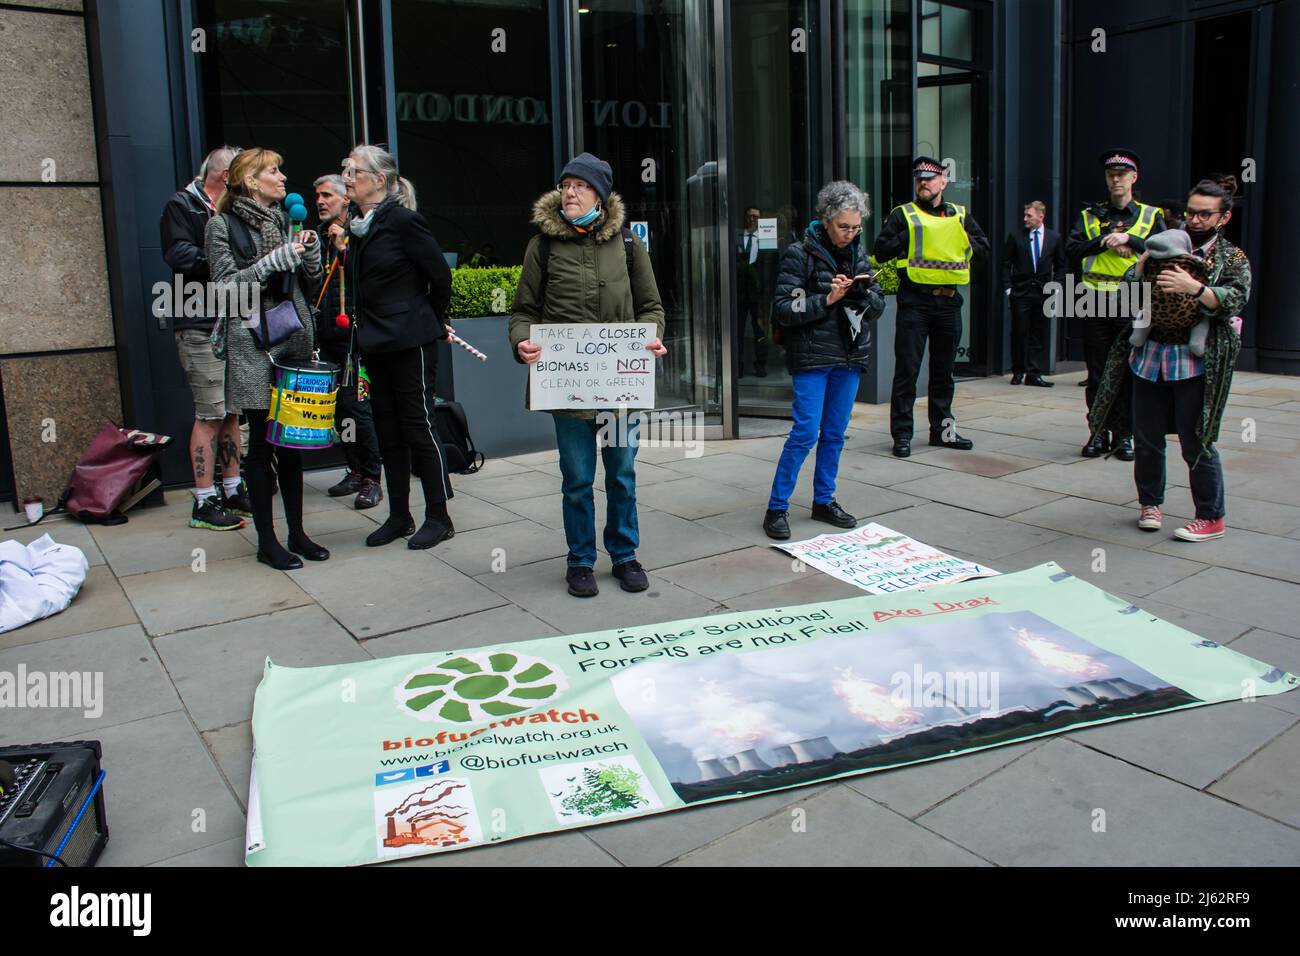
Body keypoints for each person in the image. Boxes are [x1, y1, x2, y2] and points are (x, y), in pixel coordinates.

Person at [509, 152, 666, 598]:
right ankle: (580, 560)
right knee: (577, 479)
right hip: (568, 388)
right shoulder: (542, 245)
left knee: (622, 475)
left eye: (580, 185)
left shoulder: (630, 245)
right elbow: (524, 311)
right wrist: (522, 342)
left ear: (599, 193)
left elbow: (652, 307)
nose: (570, 191)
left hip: (619, 385)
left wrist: (651, 337)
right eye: (565, 185)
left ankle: (624, 555)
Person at [1089, 176, 1249, 542]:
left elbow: (1237, 299)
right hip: (1149, 355)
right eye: (1191, 212)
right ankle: (1150, 503)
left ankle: (1210, 516)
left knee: (1197, 440)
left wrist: (1197, 289)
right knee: (1147, 438)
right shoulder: (1161, 244)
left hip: (1196, 361)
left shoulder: (1231, 257)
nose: (1194, 220)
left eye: (1204, 215)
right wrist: (1141, 268)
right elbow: (1127, 291)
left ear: (1223, 217)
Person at [205, 147, 329, 569]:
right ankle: (267, 541)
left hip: (292, 337)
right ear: (251, 181)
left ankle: (297, 533)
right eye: (273, 170)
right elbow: (224, 288)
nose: (282, 176)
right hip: (253, 344)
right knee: (261, 443)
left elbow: (310, 284)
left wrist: (309, 252)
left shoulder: (287, 219)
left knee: (291, 443)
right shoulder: (220, 225)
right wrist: (269, 263)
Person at [343, 144, 456, 550]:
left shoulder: (404, 222)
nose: (347, 178)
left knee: (418, 424)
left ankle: (439, 516)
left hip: (411, 339)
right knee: (387, 430)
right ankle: (398, 515)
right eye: (346, 170)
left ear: (381, 180)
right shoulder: (358, 226)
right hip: (375, 342)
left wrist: (431, 318)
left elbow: (440, 276)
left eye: (355, 171)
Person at [763, 181, 884, 541]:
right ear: (826, 221)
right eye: (844, 226)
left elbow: (878, 305)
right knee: (804, 433)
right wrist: (827, 299)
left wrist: (863, 293)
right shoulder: (799, 254)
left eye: (856, 226)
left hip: (849, 355)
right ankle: (777, 507)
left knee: (834, 434)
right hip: (813, 357)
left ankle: (824, 500)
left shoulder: (859, 254)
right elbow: (783, 309)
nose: (850, 233)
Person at [871, 156, 989, 458]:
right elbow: (881, 251)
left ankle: (943, 432)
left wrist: (959, 236)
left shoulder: (959, 215)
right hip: (915, 303)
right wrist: (908, 235)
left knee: (944, 373)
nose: (924, 183)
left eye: (930, 178)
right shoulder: (904, 215)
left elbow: (984, 251)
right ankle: (902, 435)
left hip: (949, 302)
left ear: (943, 182)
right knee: (907, 372)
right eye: (920, 178)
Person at [160, 144, 249, 531]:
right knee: (209, 412)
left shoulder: (233, 208)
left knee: (231, 411)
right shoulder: (183, 205)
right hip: (199, 321)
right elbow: (179, 255)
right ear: (225, 175)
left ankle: (232, 487)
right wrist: (223, 258)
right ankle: (203, 501)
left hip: (233, 320)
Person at [1066, 148, 1166, 460]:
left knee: (1129, 371)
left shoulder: (1152, 216)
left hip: (1131, 301)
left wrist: (1131, 241)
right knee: (1097, 373)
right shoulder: (1089, 216)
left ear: (1134, 178)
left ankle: (1124, 436)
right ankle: (1098, 432)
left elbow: (1166, 253)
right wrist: (1102, 240)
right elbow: (1070, 251)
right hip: (1093, 301)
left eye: (1122, 174)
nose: (1116, 179)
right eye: (1111, 174)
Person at [313, 174, 382, 510]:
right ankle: (355, 468)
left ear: (345, 199)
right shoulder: (319, 238)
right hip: (328, 337)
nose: (320, 202)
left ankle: (372, 477)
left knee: (359, 406)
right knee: (341, 410)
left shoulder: (360, 232)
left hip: (357, 339)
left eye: (327, 195)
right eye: (317, 197)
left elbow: (369, 276)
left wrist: (345, 247)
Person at [1002, 200, 1066, 386]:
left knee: (1039, 332)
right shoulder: (1016, 236)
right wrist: (1008, 288)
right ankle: (1018, 371)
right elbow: (1005, 264)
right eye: (1025, 215)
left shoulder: (1054, 238)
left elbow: (1061, 265)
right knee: (1019, 332)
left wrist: (1057, 286)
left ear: (1040, 216)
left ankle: (1033, 373)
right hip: (1020, 292)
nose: (1025, 219)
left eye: (1029, 215)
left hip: (1043, 292)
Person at [736, 206, 768, 378]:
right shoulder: (736, 237)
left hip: (758, 293)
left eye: (755, 217)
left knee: (760, 330)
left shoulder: (765, 239)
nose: (752, 220)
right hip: (738, 292)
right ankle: (737, 364)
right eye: (749, 217)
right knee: (737, 330)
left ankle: (761, 364)